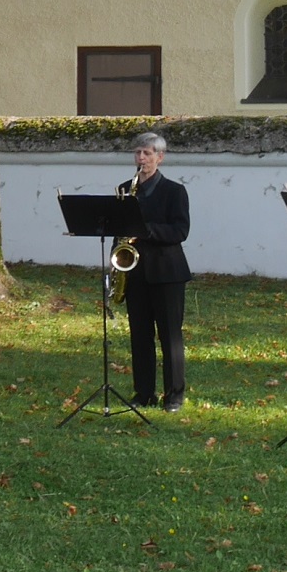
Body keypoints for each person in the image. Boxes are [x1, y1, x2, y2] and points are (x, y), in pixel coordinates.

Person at [118, 132, 193, 411]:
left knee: (170, 336)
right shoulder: (125, 189)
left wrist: (145, 230)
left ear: (160, 157)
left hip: (167, 273)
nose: (141, 158)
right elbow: (119, 229)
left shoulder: (174, 191)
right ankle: (143, 393)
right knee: (140, 336)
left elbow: (180, 231)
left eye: (147, 153)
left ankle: (174, 395)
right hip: (135, 272)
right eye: (137, 152)